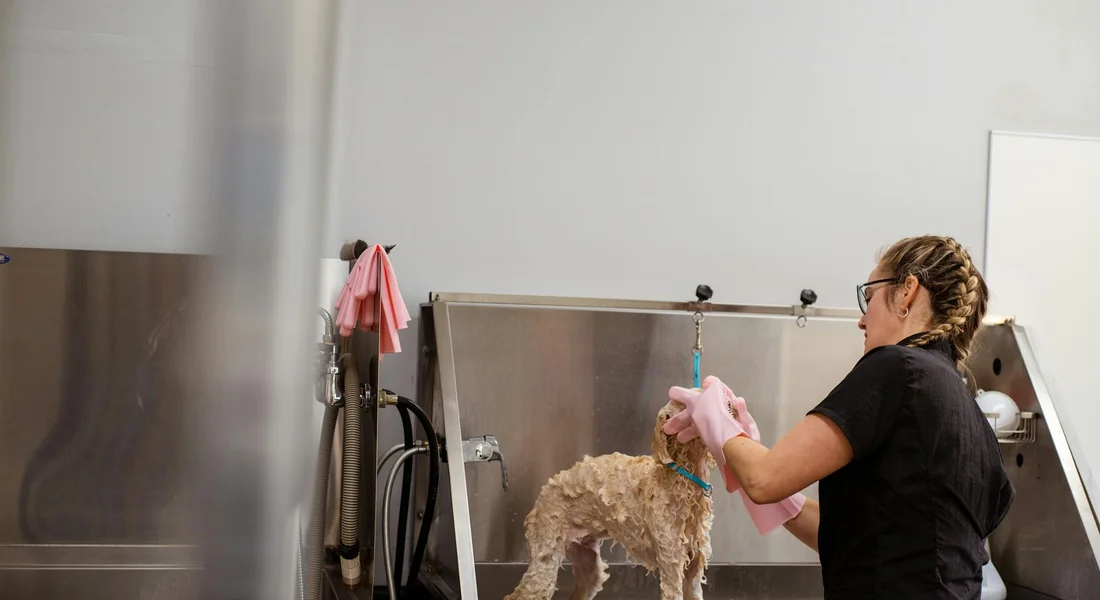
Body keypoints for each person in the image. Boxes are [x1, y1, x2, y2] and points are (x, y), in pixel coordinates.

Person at [664, 235, 1015, 599]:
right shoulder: (972, 417)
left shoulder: (897, 369)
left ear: (907, 291)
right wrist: (747, 452)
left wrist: (720, 424)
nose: (862, 320)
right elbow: (859, 540)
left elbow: (764, 479)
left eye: (870, 296)